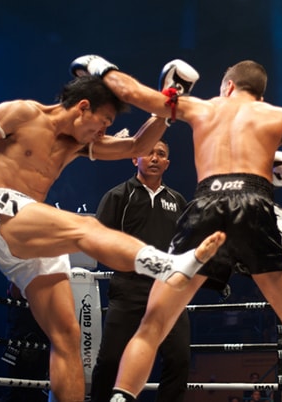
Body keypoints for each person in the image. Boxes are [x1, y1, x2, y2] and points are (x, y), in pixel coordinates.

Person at [0, 73, 226, 402]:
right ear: (82, 108)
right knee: (86, 228)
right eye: (103, 121)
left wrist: (167, 106)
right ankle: (167, 266)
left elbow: (137, 146)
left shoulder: (77, 143)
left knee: (67, 338)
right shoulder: (22, 113)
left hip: (34, 227)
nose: (104, 131)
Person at [70, 55, 282, 401]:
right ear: (260, 92)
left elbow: (133, 92)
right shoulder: (280, 116)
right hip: (255, 201)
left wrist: (99, 67)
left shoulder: (204, 108)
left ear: (228, 86)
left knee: (152, 325)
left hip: (206, 205)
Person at [90, 140, 190, 401]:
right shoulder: (118, 196)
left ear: (167, 163)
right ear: (135, 158)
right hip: (128, 287)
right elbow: (97, 239)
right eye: (149, 152)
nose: (155, 158)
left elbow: (186, 245)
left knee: (179, 360)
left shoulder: (178, 200)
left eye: (161, 154)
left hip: (168, 291)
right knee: (110, 359)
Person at [2, 282, 49, 402]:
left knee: (37, 387)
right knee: (14, 387)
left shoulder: (49, 270)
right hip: (17, 334)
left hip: (41, 336)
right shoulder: (19, 269)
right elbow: (15, 293)